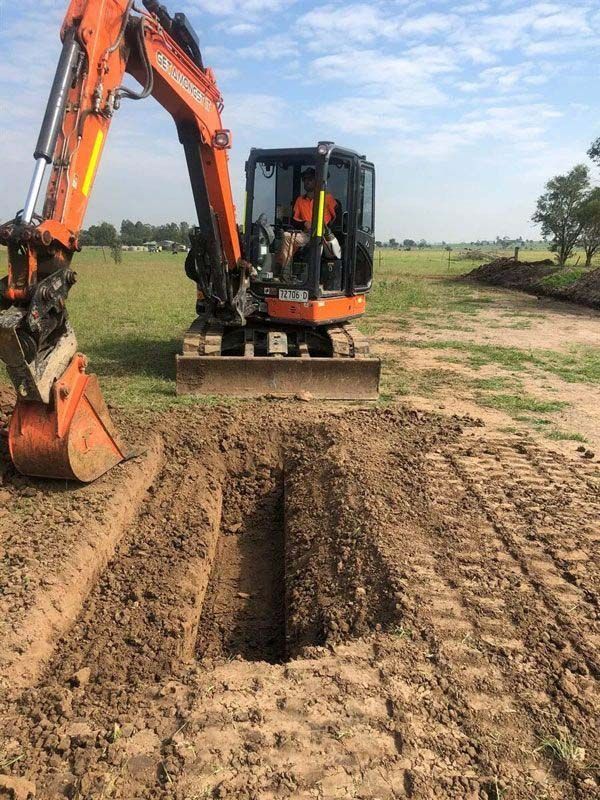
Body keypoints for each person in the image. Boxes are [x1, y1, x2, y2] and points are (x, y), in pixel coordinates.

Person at [277, 167, 338, 276]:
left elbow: (337, 218)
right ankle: (286, 273)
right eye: (304, 179)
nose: (306, 182)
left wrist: (326, 230)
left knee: (318, 246)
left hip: (323, 236)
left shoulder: (328, 198)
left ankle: (313, 276)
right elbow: (295, 220)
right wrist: (305, 223)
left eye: (310, 179)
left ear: (317, 181)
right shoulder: (300, 200)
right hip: (306, 234)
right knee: (287, 236)